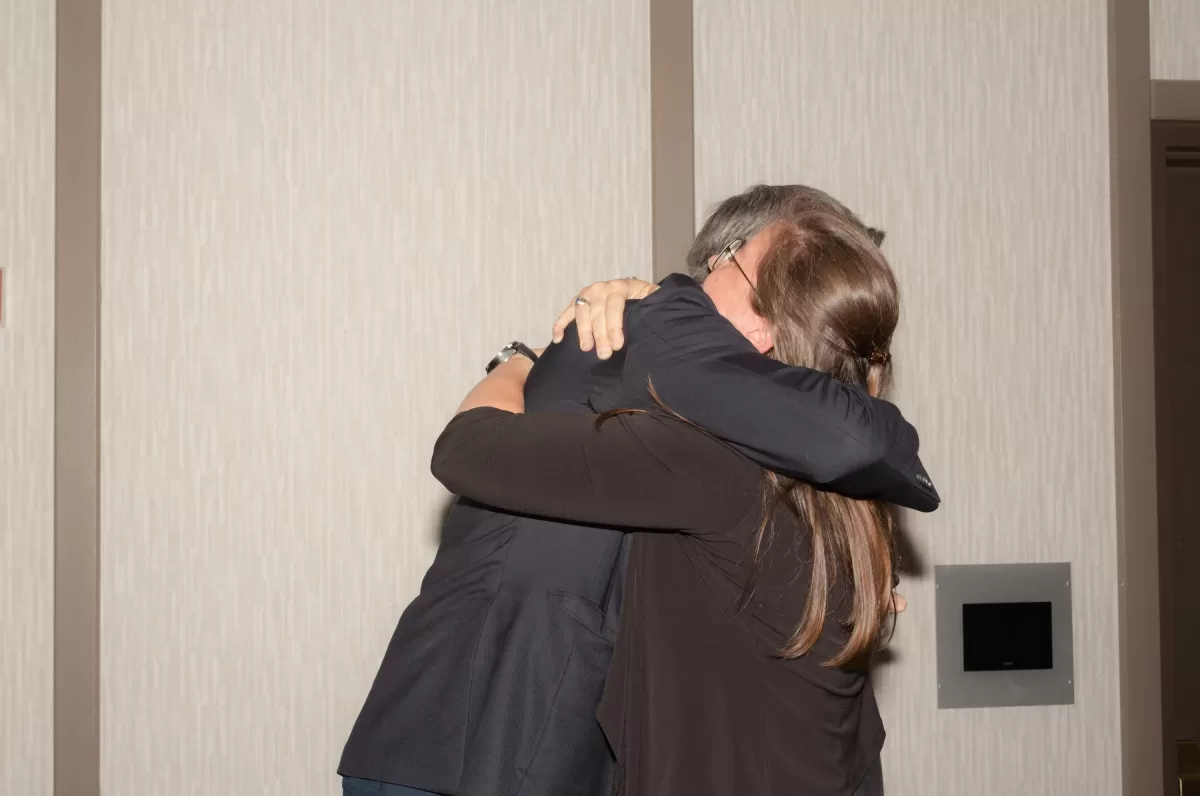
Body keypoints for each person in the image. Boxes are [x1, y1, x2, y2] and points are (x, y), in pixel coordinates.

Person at [339, 185, 937, 796]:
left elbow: (464, 448)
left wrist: (517, 360)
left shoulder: (695, 438)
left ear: (762, 327)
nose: (698, 276)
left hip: (497, 742)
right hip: (461, 736)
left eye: (727, 259)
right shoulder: (846, 499)